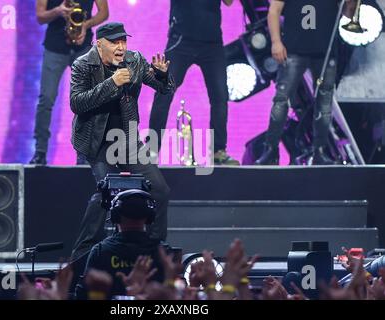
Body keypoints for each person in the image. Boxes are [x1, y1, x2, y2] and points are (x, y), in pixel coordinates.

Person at [69, 23, 174, 267]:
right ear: (100, 44)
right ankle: (80, 258)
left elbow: (165, 89)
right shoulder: (83, 65)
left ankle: (153, 249)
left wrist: (162, 75)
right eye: (115, 42)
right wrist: (112, 83)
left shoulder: (134, 60)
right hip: (96, 142)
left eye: (124, 42)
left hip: (127, 140)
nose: (121, 47)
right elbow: (77, 103)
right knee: (107, 193)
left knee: (159, 189)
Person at [255, 0, 356, 165]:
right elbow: (274, 10)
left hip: (325, 51)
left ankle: (320, 152)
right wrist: (276, 42)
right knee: (281, 100)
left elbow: (347, 14)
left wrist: (352, 4)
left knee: (324, 104)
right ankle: (271, 150)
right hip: (294, 50)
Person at [148, 0, 239, 165]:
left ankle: (219, 151)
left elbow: (229, 2)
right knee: (164, 91)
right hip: (182, 39)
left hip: (212, 42)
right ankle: (151, 151)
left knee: (220, 96)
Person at [30, 0, 109, 165]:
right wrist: (58, 11)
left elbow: (104, 12)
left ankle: (84, 153)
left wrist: (85, 25)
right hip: (55, 47)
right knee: (46, 99)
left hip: (83, 47)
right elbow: (40, 16)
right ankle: (40, 152)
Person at [75, 189, 165, 298]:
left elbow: (83, 294)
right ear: (150, 217)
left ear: (115, 216)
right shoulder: (164, 253)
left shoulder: (100, 251)